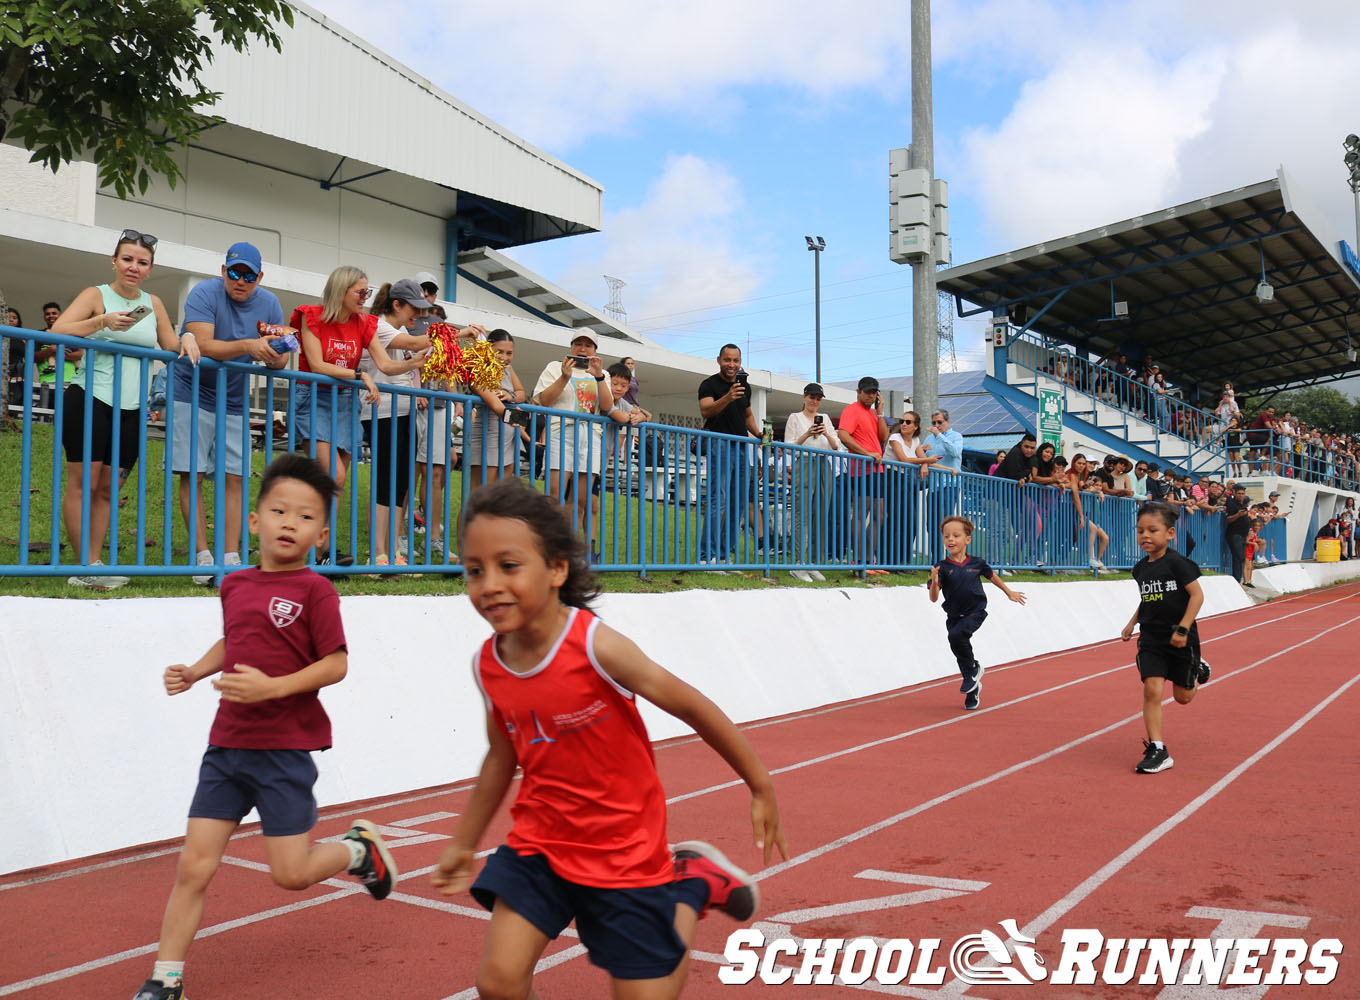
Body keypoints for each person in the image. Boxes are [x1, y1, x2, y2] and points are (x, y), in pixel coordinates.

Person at [432, 478, 787, 997]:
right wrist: (464, 843)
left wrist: (760, 784)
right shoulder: (490, 664)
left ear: (556, 569)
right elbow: (501, 756)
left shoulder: (596, 647)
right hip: (543, 843)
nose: (489, 584)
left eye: (508, 566)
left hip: (624, 848)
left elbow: (692, 706)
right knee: (498, 984)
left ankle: (691, 885)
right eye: (474, 570)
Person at [130, 453, 396, 1000]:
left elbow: (336, 663)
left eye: (305, 516)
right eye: (279, 511)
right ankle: (166, 978)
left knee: (290, 875)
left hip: (282, 751)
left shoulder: (316, 591)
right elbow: (235, 638)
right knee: (194, 866)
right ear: (254, 521)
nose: (289, 523)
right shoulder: (235, 584)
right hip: (226, 748)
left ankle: (357, 850)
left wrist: (273, 688)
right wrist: (196, 671)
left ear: (321, 534)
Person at [52, 229, 201, 589]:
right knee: (83, 484)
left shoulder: (153, 303)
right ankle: (83, 568)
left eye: (142, 262)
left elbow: (170, 344)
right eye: (127, 259)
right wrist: (101, 322)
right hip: (90, 397)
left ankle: (94, 563)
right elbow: (58, 330)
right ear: (114, 261)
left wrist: (188, 336)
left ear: (151, 268)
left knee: (108, 488)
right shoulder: (96, 294)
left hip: (132, 407)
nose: (134, 267)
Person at [171, 242, 288, 585]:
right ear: (224, 271)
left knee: (235, 476)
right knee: (192, 473)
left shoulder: (270, 303)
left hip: (234, 399)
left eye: (249, 275)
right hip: (191, 391)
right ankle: (202, 558)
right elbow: (203, 344)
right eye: (235, 272)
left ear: (259, 277)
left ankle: (230, 557)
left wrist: (275, 354)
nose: (240, 280)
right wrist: (249, 345)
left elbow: (280, 358)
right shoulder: (203, 293)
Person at [291, 266, 426, 561]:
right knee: (333, 475)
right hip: (314, 397)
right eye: (360, 292)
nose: (366, 297)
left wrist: (412, 364)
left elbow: (386, 365)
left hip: (345, 401)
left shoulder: (364, 323)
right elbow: (317, 364)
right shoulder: (310, 316)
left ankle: (324, 550)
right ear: (341, 291)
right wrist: (358, 375)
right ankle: (312, 546)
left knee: (336, 482)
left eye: (367, 292)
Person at [1120, 501, 1212, 774]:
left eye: (1152, 530)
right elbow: (1149, 599)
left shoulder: (1178, 564)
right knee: (1152, 690)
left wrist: (1183, 629)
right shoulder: (1140, 568)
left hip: (1180, 638)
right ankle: (1158, 749)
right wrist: (1132, 623)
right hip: (1151, 639)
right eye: (1140, 531)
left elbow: (1197, 596)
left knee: (1183, 697)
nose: (1145, 536)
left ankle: (1198, 669)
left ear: (1170, 533)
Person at [359, 278, 435, 570]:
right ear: (397, 305)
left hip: (404, 411)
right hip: (382, 412)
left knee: (401, 484)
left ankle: (392, 549)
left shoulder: (400, 330)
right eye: (414, 308)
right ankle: (378, 551)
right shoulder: (379, 326)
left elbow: (412, 356)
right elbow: (414, 344)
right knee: (384, 482)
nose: (419, 314)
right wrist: (455, 334)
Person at [928, 515, 1026, 711]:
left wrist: (1009, 592)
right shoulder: (941, 567)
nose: (950, 539)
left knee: (956, 636)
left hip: (975, 611)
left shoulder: (977, 563)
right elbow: (934, 598)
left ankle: (974, 669)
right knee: (960, 649)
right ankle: (972, 687)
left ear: (968, 539)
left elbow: (993, 577)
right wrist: (934, 581)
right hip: (954, 616)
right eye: (946, 536)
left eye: (956, 535)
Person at [534, 333, 614, 561]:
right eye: (578, 344)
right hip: (561, 431)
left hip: (591, 435)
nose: (582, 349)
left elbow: (607, 406)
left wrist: (599, 376)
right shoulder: (554, 367)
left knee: (580, 500)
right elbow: (543, 400)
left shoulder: (603, 373)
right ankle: (547, 547)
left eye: (588, 345)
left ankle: (567, 551)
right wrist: (564, 376)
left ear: (595, 350)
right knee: (554, 493)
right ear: (571, 346)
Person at [696, 344, 761, 566]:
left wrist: (759, 433)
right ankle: (707, 556)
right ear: (719, 360)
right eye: (727, 360)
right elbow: (706, 410)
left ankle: (724, 556)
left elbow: (747, 414)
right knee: (719, 500)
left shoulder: (745, 386)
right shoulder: (709, 384)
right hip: (719, 444)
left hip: (742, 446)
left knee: (738, 503)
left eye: (735, 360)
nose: (731, 364)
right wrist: (728, 397)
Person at [783, 383, 842, 581]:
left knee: (821, 514)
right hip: (804, 462)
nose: (815, 401)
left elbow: (836, 446)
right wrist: (807, 433)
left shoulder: (825, 418)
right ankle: (798, 563)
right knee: (801, 514)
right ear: (804, 397)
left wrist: (825, 432)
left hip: (824, 464)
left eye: (818, 398)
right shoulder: (795, 417)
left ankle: (814, 563)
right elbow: (788, 447)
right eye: (812, 397)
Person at [837, 376, 890, 574]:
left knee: (879, 515)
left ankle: (869, 561)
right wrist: (867, 453)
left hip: (876, 469)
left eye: (874, 393)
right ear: (858, 392)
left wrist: (880, 412)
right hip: (861, 469)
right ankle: (859, 562)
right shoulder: (851, 410)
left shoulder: (873, 414)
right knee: (861, 514)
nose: (870, 396)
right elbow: (843, 435)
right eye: (867, 392)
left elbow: (884, 437)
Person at [465, 328, 527, 486]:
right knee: (482, 493)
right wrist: (519, 418)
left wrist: (510, 396)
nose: (504, 358)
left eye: (509, 353)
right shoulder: (477, 370)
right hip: (489, 437)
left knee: (501, 493)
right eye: (499, 352)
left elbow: (521, 393)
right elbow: (496, 406)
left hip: (509, 437)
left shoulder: (507, 368)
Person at [1066, 453, 1110, 572]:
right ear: (1074, 463)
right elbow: (1077, 494)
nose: (1083, 466)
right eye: (1080, 463)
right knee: (1071, 538)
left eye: (1084, 464)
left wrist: (1096, 490)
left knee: (1092, 535)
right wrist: (1081, 516)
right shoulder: (1073, 475)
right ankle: (1087, 560)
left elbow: (1083, 487)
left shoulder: (1082, 476)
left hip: (1079, 512)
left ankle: (1092, 560)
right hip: (1070, 510)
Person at [34, 299, 84, 392]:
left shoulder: (70, 333)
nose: (51, 316)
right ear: (44, 317)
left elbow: (80, 353)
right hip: (48, 382)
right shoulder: (39, 335)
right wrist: (51, 350)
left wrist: (64, 354)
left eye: (54, 313)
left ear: (60, 315)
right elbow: (33, 357)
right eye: (48, 314)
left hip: (71, 381)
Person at [1223, 483, 1251, 583]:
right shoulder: (1231, 504)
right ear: (1234, 493)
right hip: (1235, 534)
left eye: (1243, 494)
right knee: (1238, 557)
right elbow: (1228, 519)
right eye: (1239, 493)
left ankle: (1239, 579)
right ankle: (1237, 579)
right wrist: (1238, 515)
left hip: (1243, 535)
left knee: (1241, 557)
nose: (1241, 495)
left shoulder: (1243, 505)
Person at [1243, 519, 1262, 588]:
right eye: (1255, 526)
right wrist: (1254, 543)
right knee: (1247, 566)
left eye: (1258, 526)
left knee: (1250, 567)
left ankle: (1248, 580)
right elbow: (1246, 541)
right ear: (1252, 526)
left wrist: (1259, 541)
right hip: (1247, 550)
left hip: (1251, 551)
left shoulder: (1255, 533)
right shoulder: (1251, 532)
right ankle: (1245, 581)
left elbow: (1254, 539)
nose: (1257, 527)